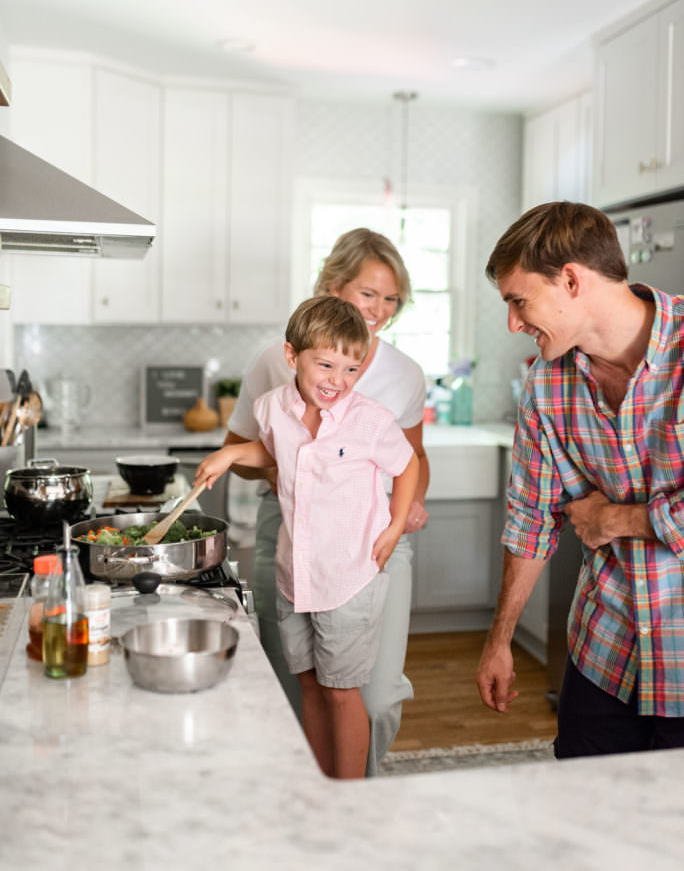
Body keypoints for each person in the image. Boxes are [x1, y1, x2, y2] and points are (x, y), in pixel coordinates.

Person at [476, 200, 684, 758]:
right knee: (582, 816)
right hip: (605, 648)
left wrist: (617, 518)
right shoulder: (547, 387)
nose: (513, 323)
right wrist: (499, 640)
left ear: (570, 279)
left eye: (518, 301)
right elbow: (531, 520)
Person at [225, 228, 429, 775]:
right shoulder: (275, 361)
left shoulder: (405, 374)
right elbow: (247, 450)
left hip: (372, 543)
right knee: (301, 683)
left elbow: (412, 456)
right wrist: (299, 472)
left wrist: (411, 505)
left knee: (375, 695)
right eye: (369, 293)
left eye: (392, 299)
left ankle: (354, 797)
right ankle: (313, 800)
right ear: (332, 286)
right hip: (292, 534)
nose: (380, 309)